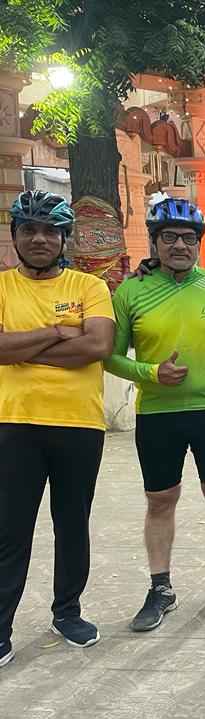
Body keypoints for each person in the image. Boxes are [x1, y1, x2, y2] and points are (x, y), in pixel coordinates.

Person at [105, 198, 205, 632]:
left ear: (199, 243)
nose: (179, 245)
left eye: (188, 238)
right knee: (160, 501)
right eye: (169, 237)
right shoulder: (131, 291)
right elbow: (110, 357)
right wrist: (151, 372)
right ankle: (160, 587)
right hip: (157, 415)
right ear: (155, 242)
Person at [0, 191, 114, 667]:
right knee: (10, 528)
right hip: (14, 422)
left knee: (72, 523)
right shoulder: (2, 286)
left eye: (50, 231)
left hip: (78, 423)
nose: (40, 239)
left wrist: (22, 350)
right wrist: (56, 332)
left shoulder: (89, 286)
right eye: (29, 230)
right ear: (16, 237)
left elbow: (98, 346)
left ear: (64, 238)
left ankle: (67, 612)